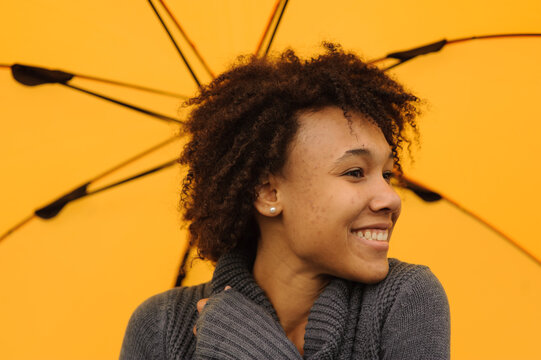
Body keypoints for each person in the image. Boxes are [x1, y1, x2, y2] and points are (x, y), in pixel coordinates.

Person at [120, 43, 450, 359]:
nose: (390, 199)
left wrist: (252, 347)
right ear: (268, 193)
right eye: (354, 172)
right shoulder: (162, 327)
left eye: (388, 174)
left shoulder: (404, 299)